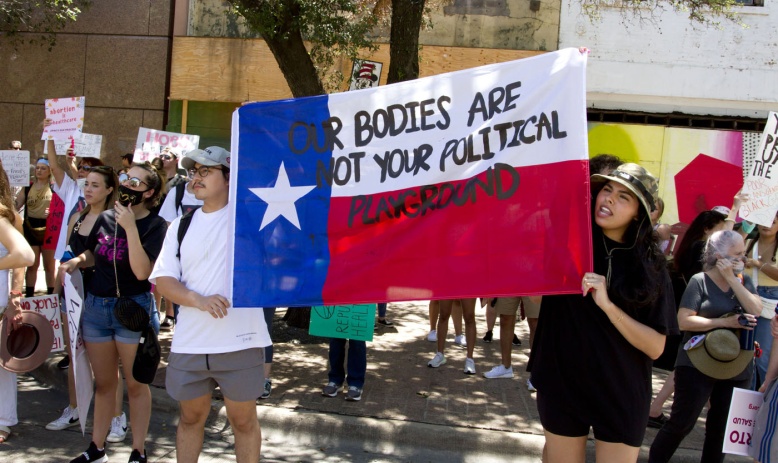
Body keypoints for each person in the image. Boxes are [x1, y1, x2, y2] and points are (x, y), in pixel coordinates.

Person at [528, 163, 678, 462]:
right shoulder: (567, 243)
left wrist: (609, 306)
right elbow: (532, 295)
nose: (608, 199)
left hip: (621, 390)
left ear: (639, 213)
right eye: (606, 190)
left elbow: (656, 347)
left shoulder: (652, 267)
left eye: (624, 196)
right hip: (562, 383)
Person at [150, 146, 270, 462]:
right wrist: (198, 301)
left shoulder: (251, 218)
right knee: (190, 418)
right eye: (194, 171)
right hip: (190, 343)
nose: (196, 177)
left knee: (243, 421)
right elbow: (164, 281)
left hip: (239, 341)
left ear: (229, 177)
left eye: (207, 170)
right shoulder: (180, 226)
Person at [60, 163, 167, 463]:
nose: (126, 184)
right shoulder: (106, 217)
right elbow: (96, 251)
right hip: (96, 309)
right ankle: (97, 448)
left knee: (135, 384)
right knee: (105, 384)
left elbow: (143, 271)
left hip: (132, 310)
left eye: (134, 181)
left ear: (149, 192)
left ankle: (138, 451)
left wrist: (131, 227)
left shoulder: (157, 226)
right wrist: (78, 260)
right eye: (124, 178)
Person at [649, 230, 761, 462]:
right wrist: (724, 322)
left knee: (720, 431)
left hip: (736, 365)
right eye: (737, 254)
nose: (743, 259)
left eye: (744, 254)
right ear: (719, 256)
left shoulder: (744, 281)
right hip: (697, 364)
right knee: (681, 424)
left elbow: (756, 310)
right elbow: (684, 320)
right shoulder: (699, 281)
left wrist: (732, 279)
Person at [0, 162, 36, 444]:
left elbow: (24, 257)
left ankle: (3, 420)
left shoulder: (3, 216)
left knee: (3, 365)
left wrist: (15, 295)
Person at [745, 213, 778, 390]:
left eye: (773, 222)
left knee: (762, 357)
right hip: (747, 296)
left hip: (771, 302)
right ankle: (742, 404)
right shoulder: (749, 242)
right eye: (765, 220)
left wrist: (759, 265)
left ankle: (763, 402)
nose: (768, 225)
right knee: (744, 354)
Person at [16, 157, 55, 297]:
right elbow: (17, 204)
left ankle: (51, 298)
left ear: (50, 171)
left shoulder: (54, 187)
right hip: (30, 227)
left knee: (49, 266)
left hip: (49, 228)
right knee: (32, 265)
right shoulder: (27, 186)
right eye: (37, 167)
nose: (39, 170)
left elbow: (61, 207)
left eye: (43, 168)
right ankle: (30, 297)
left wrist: (52, 212)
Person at [428, 298, 477, 374]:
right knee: (443, 314)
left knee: (469, 317)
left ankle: (470, 359)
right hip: (447, 285)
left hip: (469, 286)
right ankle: (440, 354)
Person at [482, 297, 521, 379]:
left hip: (534, 285)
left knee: (534, 321)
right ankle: (506, 367)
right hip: (509, 285)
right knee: (505, 318)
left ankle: (537, 374)